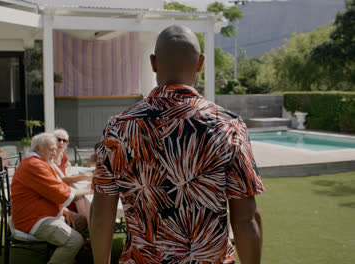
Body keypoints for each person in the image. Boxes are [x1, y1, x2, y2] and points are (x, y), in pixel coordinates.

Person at [90, 25, 265, 264]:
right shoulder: (228, 127)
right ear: (200, 63)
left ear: (153, 63)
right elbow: (246, 219)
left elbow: (101, 215)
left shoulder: (119, 128)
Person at [10, 132, 92, 264]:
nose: (55, 153)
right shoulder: (34, 165)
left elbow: (50, 190)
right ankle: (65, 253)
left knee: (82, 221)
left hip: (40, 212)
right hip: (33, 219)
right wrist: (88, 190)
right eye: (51, 149)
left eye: (55, 149)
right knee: (74, 240)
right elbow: (59, 192)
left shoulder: (38, 162)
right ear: (37, 149)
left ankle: (64, 254)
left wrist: (63, 210)